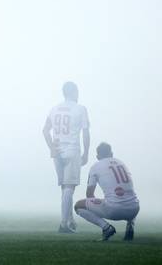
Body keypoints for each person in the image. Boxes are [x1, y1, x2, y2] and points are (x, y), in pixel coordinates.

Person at [42, 81, 90, 233]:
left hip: (57, 151)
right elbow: (86, 133)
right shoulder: (80, 109)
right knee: (69, 187)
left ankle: (70, 220)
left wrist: (51, 147)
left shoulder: (54, 108)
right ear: (75, 92)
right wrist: (86, 153)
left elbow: (45, 130)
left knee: (64, 187)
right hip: (71, 149)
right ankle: (64, 224)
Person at [74, 142, 140, 241]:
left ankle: (106, 228)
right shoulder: (121, 163)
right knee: (128, 196)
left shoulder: (95, 167)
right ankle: (130, 226)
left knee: (78, 206)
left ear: (97, 156)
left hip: (115, 210)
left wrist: (100, 205)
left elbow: (89, 195)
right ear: (111, 153)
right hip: (134, 209)